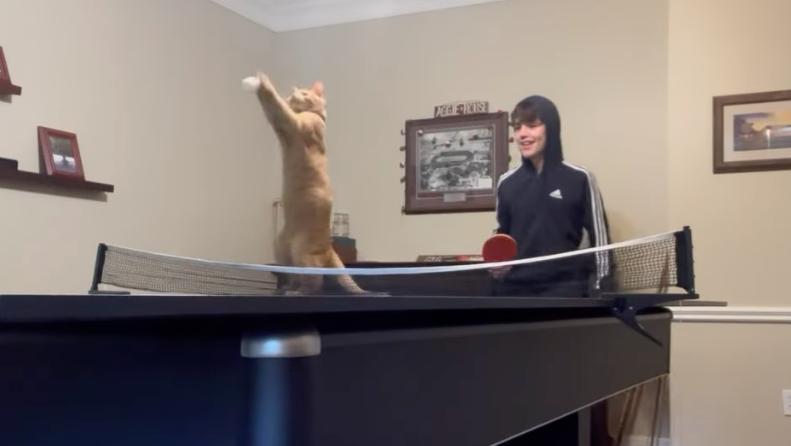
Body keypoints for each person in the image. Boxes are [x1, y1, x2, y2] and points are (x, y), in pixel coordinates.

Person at [493, 95, 611, 297]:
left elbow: (602, 243)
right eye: (518, 127)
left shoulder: (580, 178)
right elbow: (502, 237)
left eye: (532, 125)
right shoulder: (506, 183)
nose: (522, 134)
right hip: (515, 290)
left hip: (565, 290)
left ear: (552, 128)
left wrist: (601, 286)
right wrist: (498, 265)